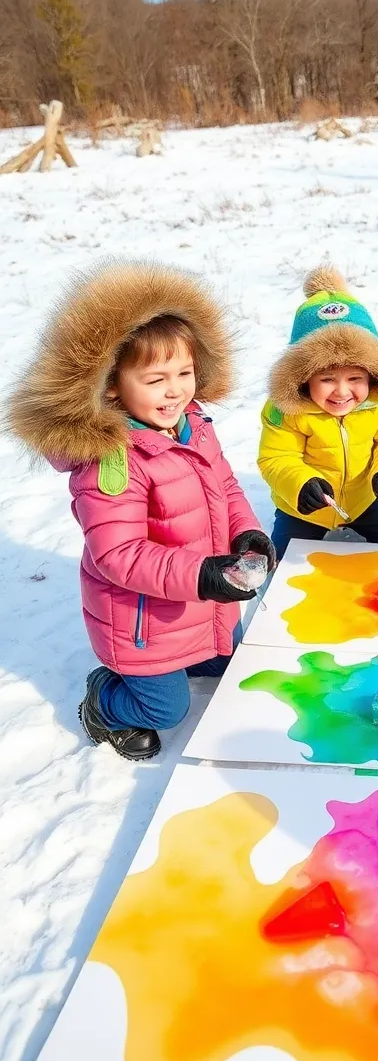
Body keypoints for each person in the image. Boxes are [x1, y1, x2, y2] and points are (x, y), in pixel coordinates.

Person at [7, 261, 275, 762]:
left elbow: (227, 488)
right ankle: (106, 700)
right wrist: (201, 574)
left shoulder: (194, 424)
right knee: (164, 713)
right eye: (155, 379)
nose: (175, 390)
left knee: (231, 666)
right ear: (111, 386)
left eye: (185, 373)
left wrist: (248, 535)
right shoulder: (112, 459)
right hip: (144, 619)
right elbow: (119, 554)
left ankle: (193, 656)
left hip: (201, 599)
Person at [258, 266, 378, 560]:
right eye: (328, 379)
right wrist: (300, 485)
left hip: (361, 499)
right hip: (309, 507)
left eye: (355, 379)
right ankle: (299, 516)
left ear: (372, 375)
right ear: (304, 378)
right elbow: (277, 457)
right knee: (285, 554)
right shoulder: (287, 410)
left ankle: (360, 515)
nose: (342, 392)